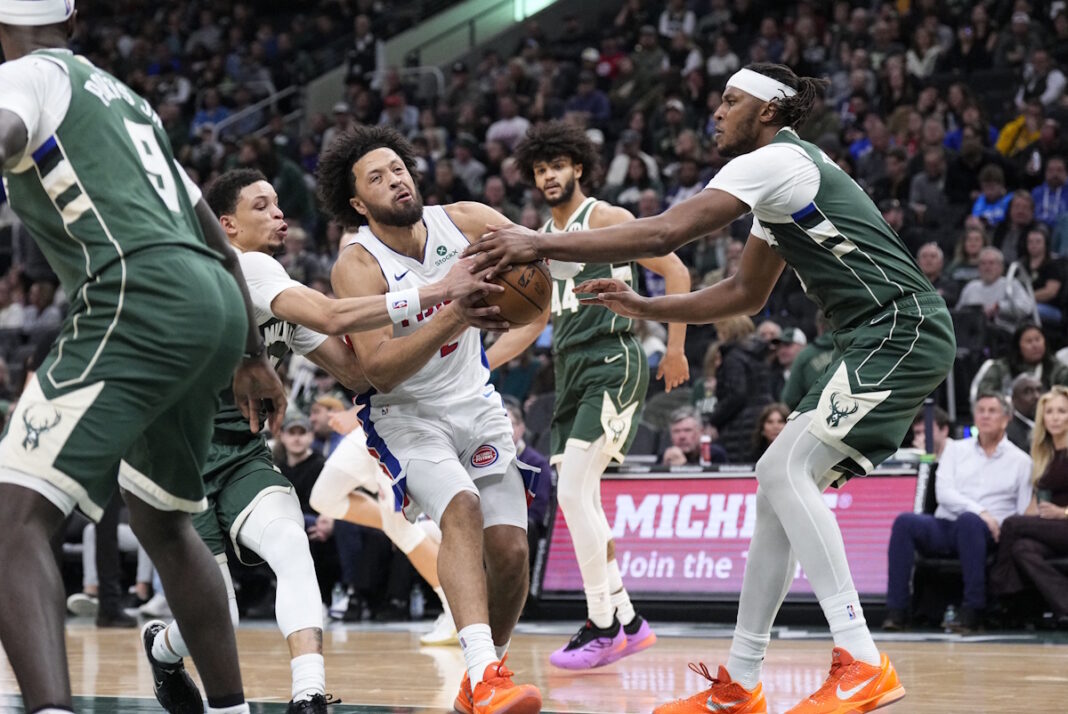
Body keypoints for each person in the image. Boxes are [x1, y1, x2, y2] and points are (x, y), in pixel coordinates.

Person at [469, 62, 956, 714]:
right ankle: (741, 683)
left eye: (731, 100)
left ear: (767, 111)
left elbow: (665, 231)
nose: (717, 112)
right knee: (776, 488)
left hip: (901, 326)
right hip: (870, 335)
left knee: (783, 471)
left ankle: (862, 659)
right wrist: (645, 308)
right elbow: (744, 293)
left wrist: (538, 242)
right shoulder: (778, 185)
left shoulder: (775, 160)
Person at [0, 5, 288, 714]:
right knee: (164, 520)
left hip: (137, 292)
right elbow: (217, 239)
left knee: (11, 520)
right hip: (214, 302)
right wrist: (251, 353)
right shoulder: (128, 102)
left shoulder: (26, 75)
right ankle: (231, 709)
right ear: (72, 17)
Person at [141, 169, 492, 713]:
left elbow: (358, 373)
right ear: (227, 225)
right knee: (217, 614)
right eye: (262, 206)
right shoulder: (245, 266)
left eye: (279, 203)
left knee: (292, 545)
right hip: (180, 460)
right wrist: (441, 292)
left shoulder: (276, 287)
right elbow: (330, 313)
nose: (279, 213)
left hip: (241, 454)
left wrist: (440, 333)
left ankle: (308, 695)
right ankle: (162, 649)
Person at [316, 124, 542, 714]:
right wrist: (456, 308)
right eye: (377, 177)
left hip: (477, 404)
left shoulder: (467, 220)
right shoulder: (357, 265)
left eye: (398, 168)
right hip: (406, 417)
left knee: (512, 552)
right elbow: (379, 370)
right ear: (358, 203)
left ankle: (486, 676)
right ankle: (484, 672)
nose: (395, 180)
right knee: (461, 507)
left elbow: (537, 266)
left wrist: (541, 282)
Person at [483, 120, 691, 669]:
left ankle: (603, 625)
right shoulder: (539, 243)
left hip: (613, 359)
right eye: (540, 169)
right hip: (570, 370)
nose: (549, 176)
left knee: (574, 494)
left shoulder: (607, 219)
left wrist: (674, 348)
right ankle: (630, 621)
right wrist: (479, 364)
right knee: (581, 498)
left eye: (557, 166)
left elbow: (676, 271)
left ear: (578, 167)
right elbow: (533, 324)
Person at [308, 403, 461, 647]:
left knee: (401, 529)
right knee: (323, 497)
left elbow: (395, 383)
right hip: (367, 423)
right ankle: (416, 525)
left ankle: (458, 613)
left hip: (395, 423)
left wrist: (354, 413)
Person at [884, 394, 1032, 632]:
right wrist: (981, 511)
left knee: (969, 522)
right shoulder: (955, 449)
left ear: (1006, 419)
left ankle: (973, 610)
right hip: (947, 526)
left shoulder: (1021, 461)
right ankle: (897, 611)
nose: (985, 415)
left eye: (992, 411)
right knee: (905, 522)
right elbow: (944, 493)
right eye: (980, 410)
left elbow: (1022, 511)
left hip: (990, 533)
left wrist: (989, 521)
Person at [992, 385, 1068, 627]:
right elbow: (1035, 502)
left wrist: (1063, 512)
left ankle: (999, 595)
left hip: (1064, 523)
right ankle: (1064, 606)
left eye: (1062, 411)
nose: (1055, 417)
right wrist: (1027, 520)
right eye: (1049, 412)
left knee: (1011, 525)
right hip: (1050, 528)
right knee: (1022, 548)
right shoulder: (1043, 453)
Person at [661, 406, 727, 466]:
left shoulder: (714, 454)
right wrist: (664, 467)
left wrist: (684, 466)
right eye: (676, 431)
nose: (682, 436)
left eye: (687, 430)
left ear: (700, 432)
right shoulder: (666, 455)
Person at [1007, 374, 1042, 452]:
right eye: (1028, 392)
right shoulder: (1008, 434)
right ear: (1014, 399)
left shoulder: (1052, 425)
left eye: (1039, 390)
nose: (1037, 396)